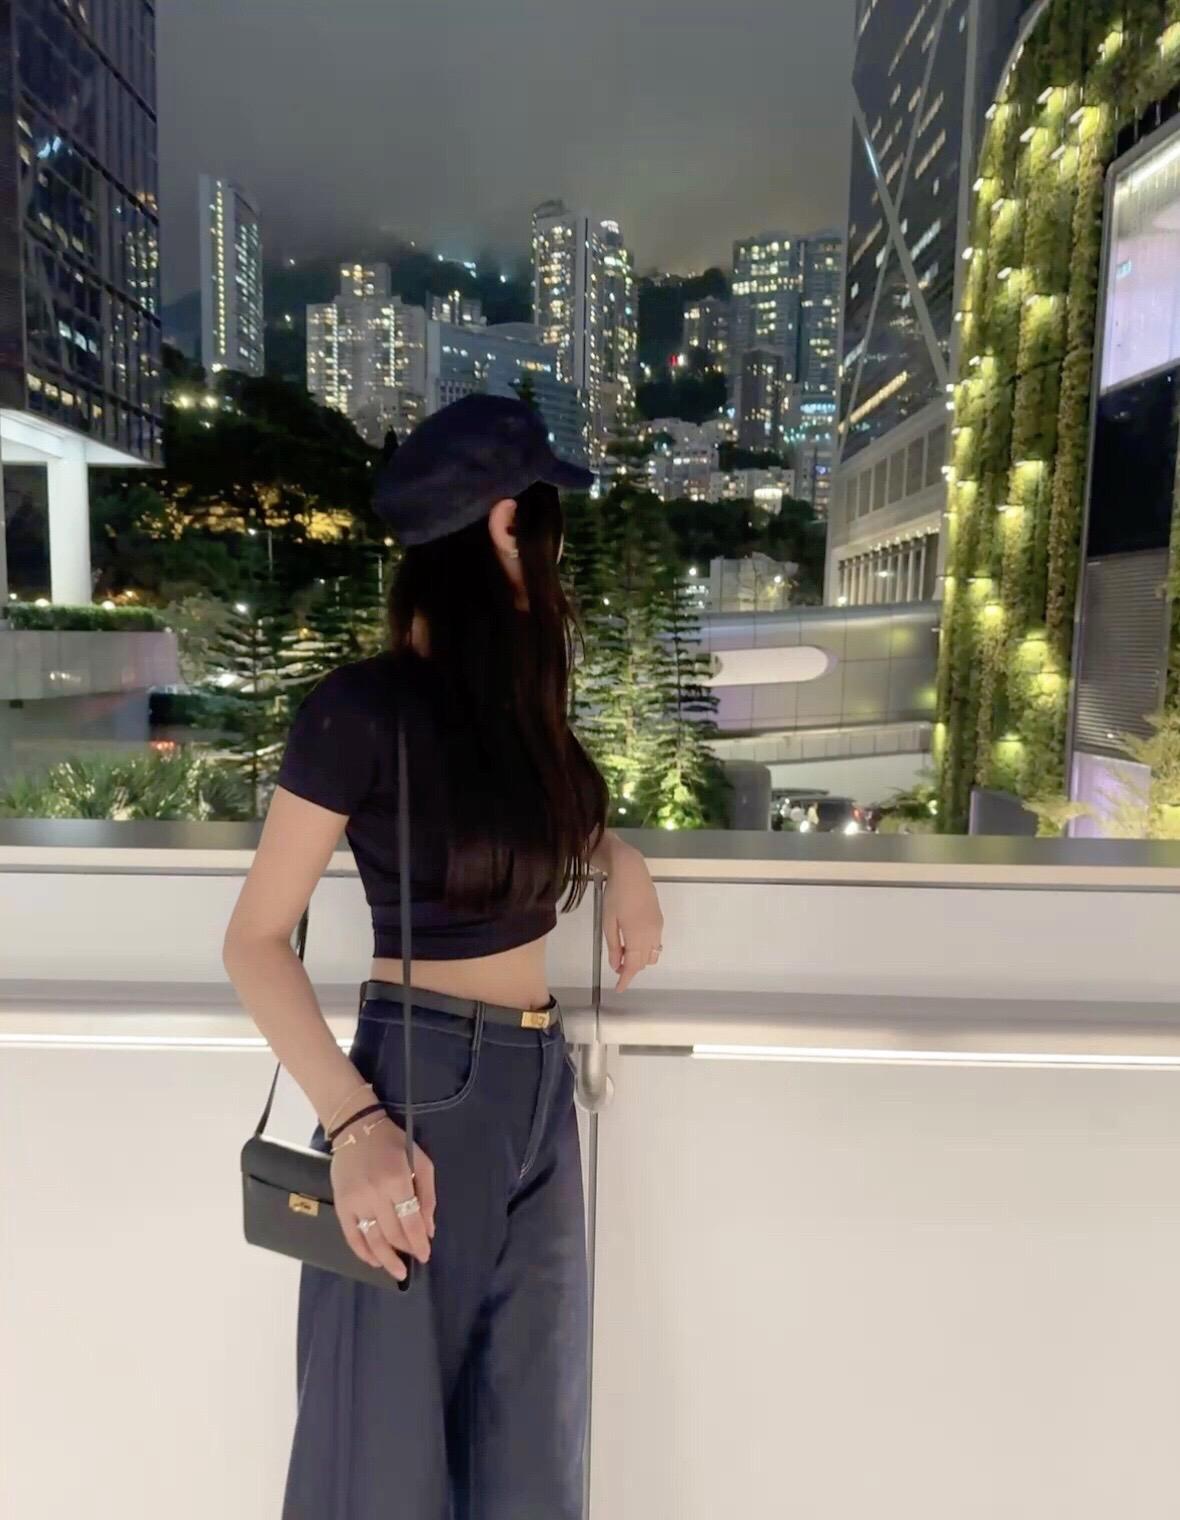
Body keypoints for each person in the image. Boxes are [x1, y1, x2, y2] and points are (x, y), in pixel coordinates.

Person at [223, 394, 664, 1519]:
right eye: (546, 527)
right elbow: (255, 940)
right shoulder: (359, 710)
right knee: (377, 1469)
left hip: (536, 1087)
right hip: (417, 1094)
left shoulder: (513, 709)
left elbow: (540, 826)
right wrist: (355, 1125)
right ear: (507, 526)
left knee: (532, 1464)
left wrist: (620, 858)